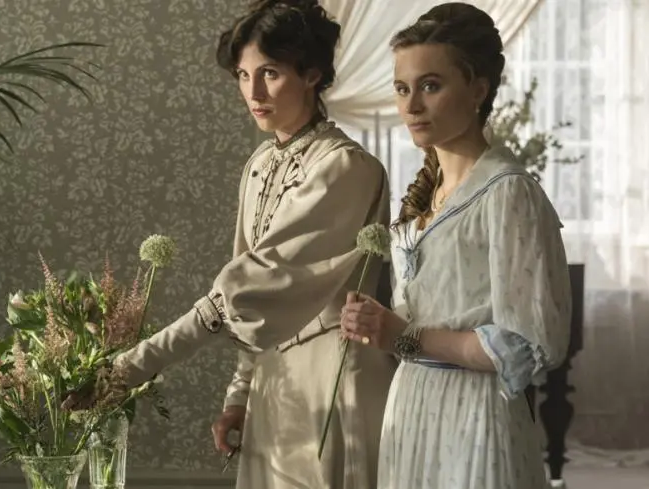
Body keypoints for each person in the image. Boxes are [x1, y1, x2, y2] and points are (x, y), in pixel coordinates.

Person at [68, 1, 396, 487]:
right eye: (243, 75)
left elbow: (245, 292)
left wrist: (130, 367)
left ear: (312, 74)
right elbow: (250, 290)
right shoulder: (260, 164)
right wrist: (239, 396)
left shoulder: (345, 168)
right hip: (274, 384)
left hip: (332, 380)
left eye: (270, 73)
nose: (253, 93)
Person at [339, 3, 572, 489]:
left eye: (430, 86)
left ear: (478, 89)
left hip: (475, 420)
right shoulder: (426, 198)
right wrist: (376, 325)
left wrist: (404, 336)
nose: (411, 106)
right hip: (411, 410)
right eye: (402, 88)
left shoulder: (508, 193)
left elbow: (523, 346)